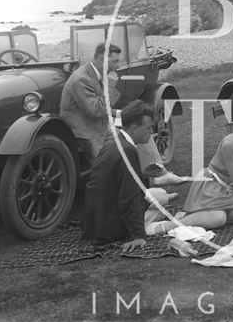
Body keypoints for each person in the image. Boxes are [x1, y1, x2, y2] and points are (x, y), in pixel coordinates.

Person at [83, 100, 224, 251]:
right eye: (149, 128)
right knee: (159, 205)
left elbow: (118, 183)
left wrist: (145, 175)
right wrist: (137, 236)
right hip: (108, 226)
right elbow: (129, 197)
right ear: (135, 128)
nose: (152, 132)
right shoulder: (128, 150)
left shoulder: (115, 140)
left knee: (162, 195)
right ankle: (152, 228)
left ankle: (156, 221)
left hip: (95, 218)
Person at [60, 42, 122, 162]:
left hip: (98, 123)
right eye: (115, 62)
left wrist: (117, 113)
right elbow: (96, 111)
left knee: (137, 130)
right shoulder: (81, 79)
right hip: (84, 131)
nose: (118, 66)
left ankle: (156, 172)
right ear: (100, 60)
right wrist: (110, 87)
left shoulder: (97, 73)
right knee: (109, 161)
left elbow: (98, 103)